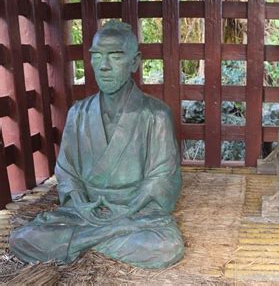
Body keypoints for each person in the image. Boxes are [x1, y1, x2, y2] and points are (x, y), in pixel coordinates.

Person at [9, 21, 184, 268]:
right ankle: (98, 240)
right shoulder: (78, 113)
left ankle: (78, 244)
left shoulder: (155, 115)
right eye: (97, 56)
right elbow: (67, 172)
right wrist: (81, 203)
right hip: (83, 212)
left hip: (134, 212)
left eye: (115, 56)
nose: (104, 66)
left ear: (134, 62)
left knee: (167, 247)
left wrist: (127, 209)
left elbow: (163, 178)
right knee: (22, 239)